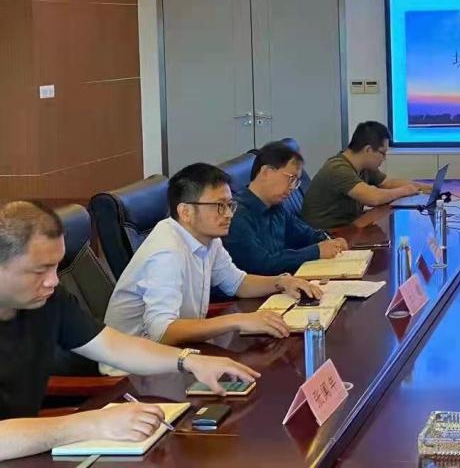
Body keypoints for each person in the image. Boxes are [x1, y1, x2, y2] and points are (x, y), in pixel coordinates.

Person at [0, 200, 258, 460]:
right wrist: (91, 423)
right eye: (40, 270)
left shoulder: (48, 299)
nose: (54, 280)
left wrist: (188, 360)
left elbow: (113, 346)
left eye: (57, 266)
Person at [104, 163, 322, 349]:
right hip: (134, 367)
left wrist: (282, 282)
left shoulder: (207, 237)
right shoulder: (166, 253)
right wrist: (237, 320)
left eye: (230, 205)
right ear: (185, 212)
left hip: (177, 351)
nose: (228, 214)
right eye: (219, 206)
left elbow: (238, 283)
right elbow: (162, 331)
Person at [224, 141, 348, 275]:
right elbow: (261, 264)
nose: (292, 188)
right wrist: (316, 251)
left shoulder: (276, 207)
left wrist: (330, 241)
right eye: (291, 178)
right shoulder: (236, 214)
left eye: (296, 182)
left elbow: (306, 235)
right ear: (266, 172)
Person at [301, 121, 431, 229]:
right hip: (326, 235)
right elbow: (374, 198)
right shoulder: (337, 168)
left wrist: (425, 187)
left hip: (347, 227)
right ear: (368, 150)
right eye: (382, 153)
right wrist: (404, 191)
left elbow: (388, 183)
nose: (384, 158)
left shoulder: (364, 166)